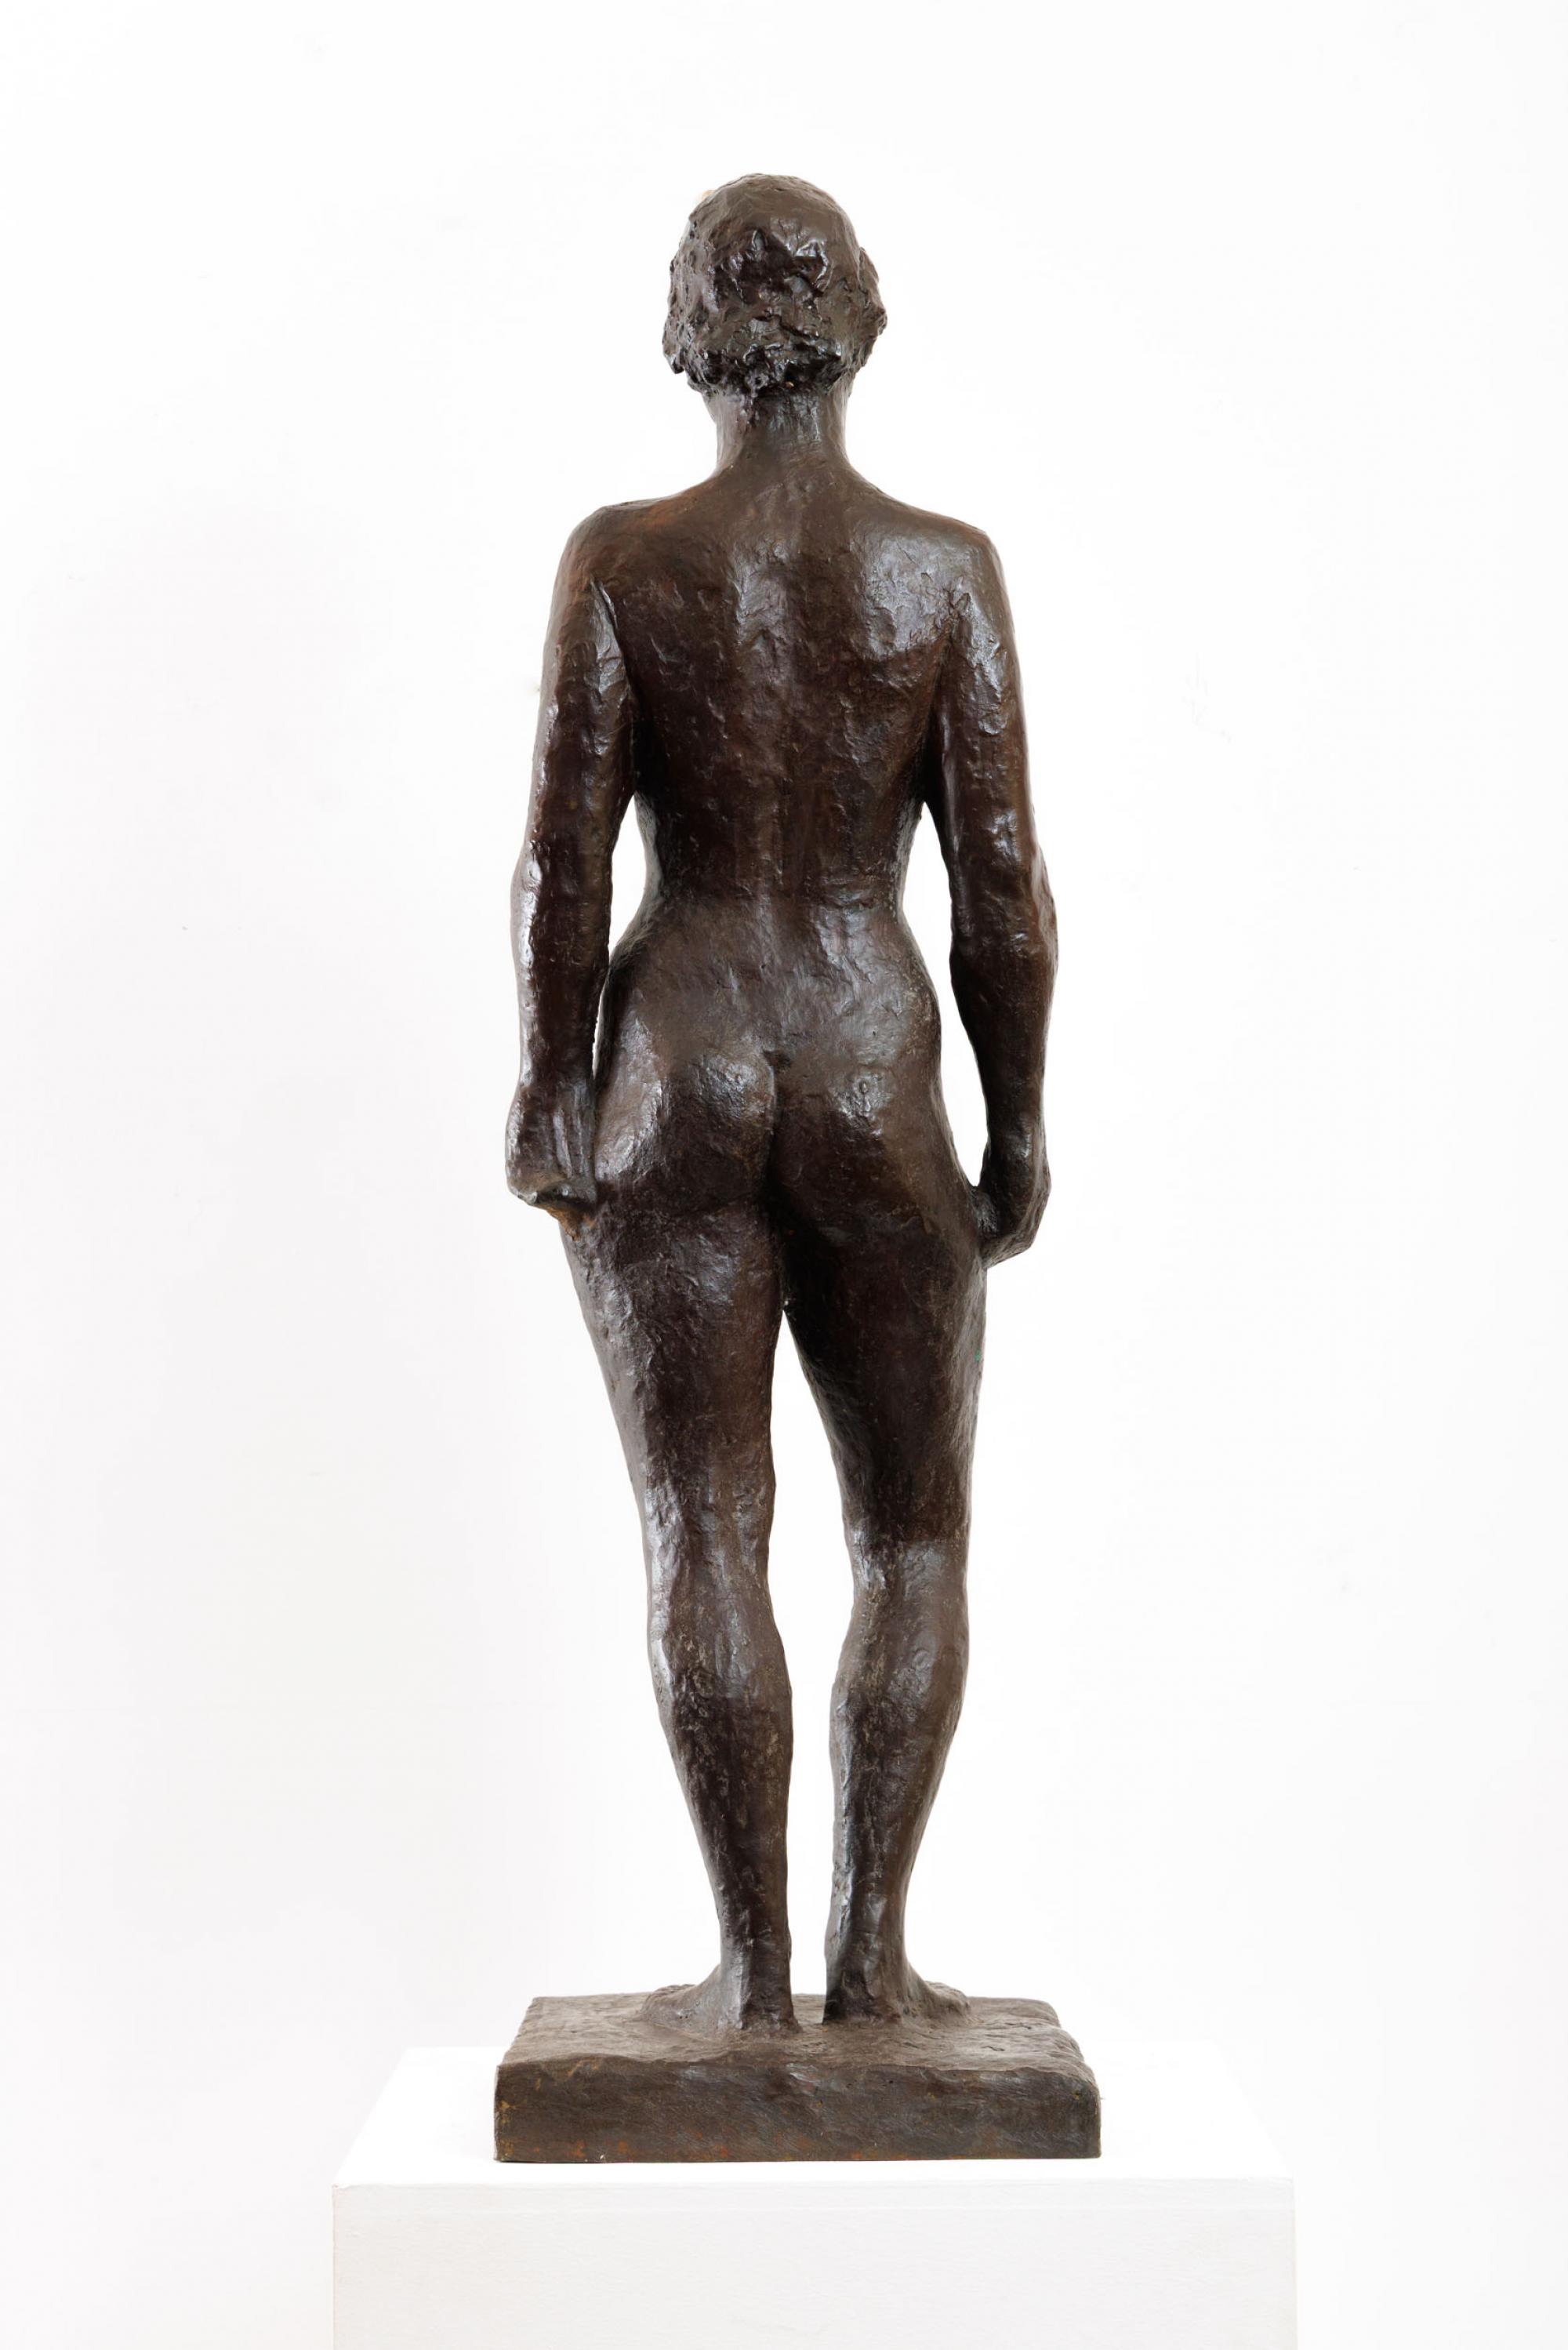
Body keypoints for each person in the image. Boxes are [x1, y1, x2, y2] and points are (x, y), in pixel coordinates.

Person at [506, 176, 1056, 2035]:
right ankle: (869, 1963)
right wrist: (1018, 1117)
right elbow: (1002, 887)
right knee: (910, 1532)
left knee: (702, 1524)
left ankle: (753, 1976)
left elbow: (561, 860)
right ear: (860, 326)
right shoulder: (940, 569)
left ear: (688, 336)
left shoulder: (622, 561)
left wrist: (547, 1089)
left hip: (676, 1054)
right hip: (871, 1054)